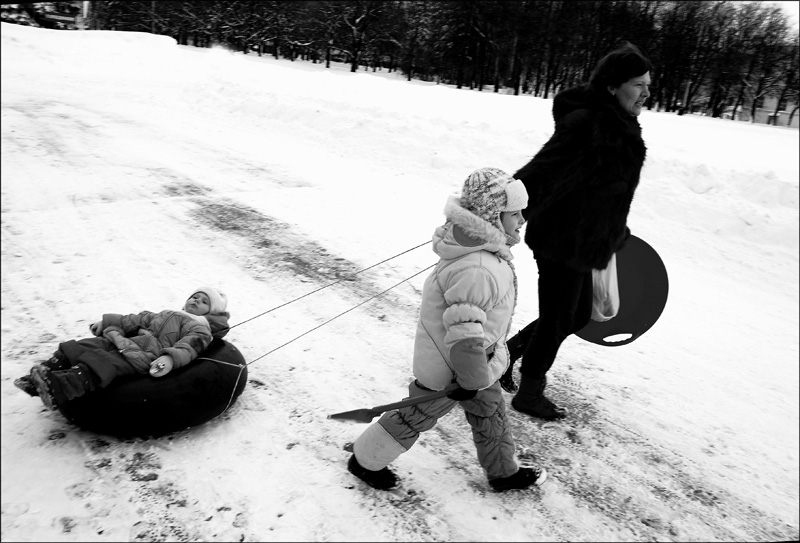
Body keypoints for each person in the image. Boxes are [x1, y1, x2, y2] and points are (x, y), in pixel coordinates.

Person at [346, 167, 547, 492]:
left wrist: (479, 374)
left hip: (479, 367)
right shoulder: (477, 267)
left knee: (491, 414)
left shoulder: (482, 256)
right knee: (414, 417)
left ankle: (504, 473)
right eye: (515, 213)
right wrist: (469, 379)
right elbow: (465, 332)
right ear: (493, 216)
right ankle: (364, 460)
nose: (523, 219)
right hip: (453, 372)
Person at [499, 42, 652, 420]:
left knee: (578, 315)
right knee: (558, 318)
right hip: (561, 240)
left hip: (588, 240)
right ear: (613, 86)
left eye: (648, 84)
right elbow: (543, 172)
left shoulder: (618, 123)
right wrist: (501, 211)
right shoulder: (589, 124)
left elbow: (598, 187)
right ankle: (530, 391)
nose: (647, 93)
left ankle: (504, 355)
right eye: (638, 84)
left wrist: (615, 228)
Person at [14, 287, 230, 411]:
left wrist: (170, 360)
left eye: (203, 301)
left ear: (210, 313)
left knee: (103, 363)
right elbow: (135, 319)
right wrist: (107, 323)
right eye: (194, 296)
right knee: (85, 345)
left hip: (145, 355)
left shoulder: (200, 329)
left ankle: (59, 388)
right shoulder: (166, 313)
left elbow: (188, 348)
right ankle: (42, 375)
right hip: (128, 342)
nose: (195, 300)